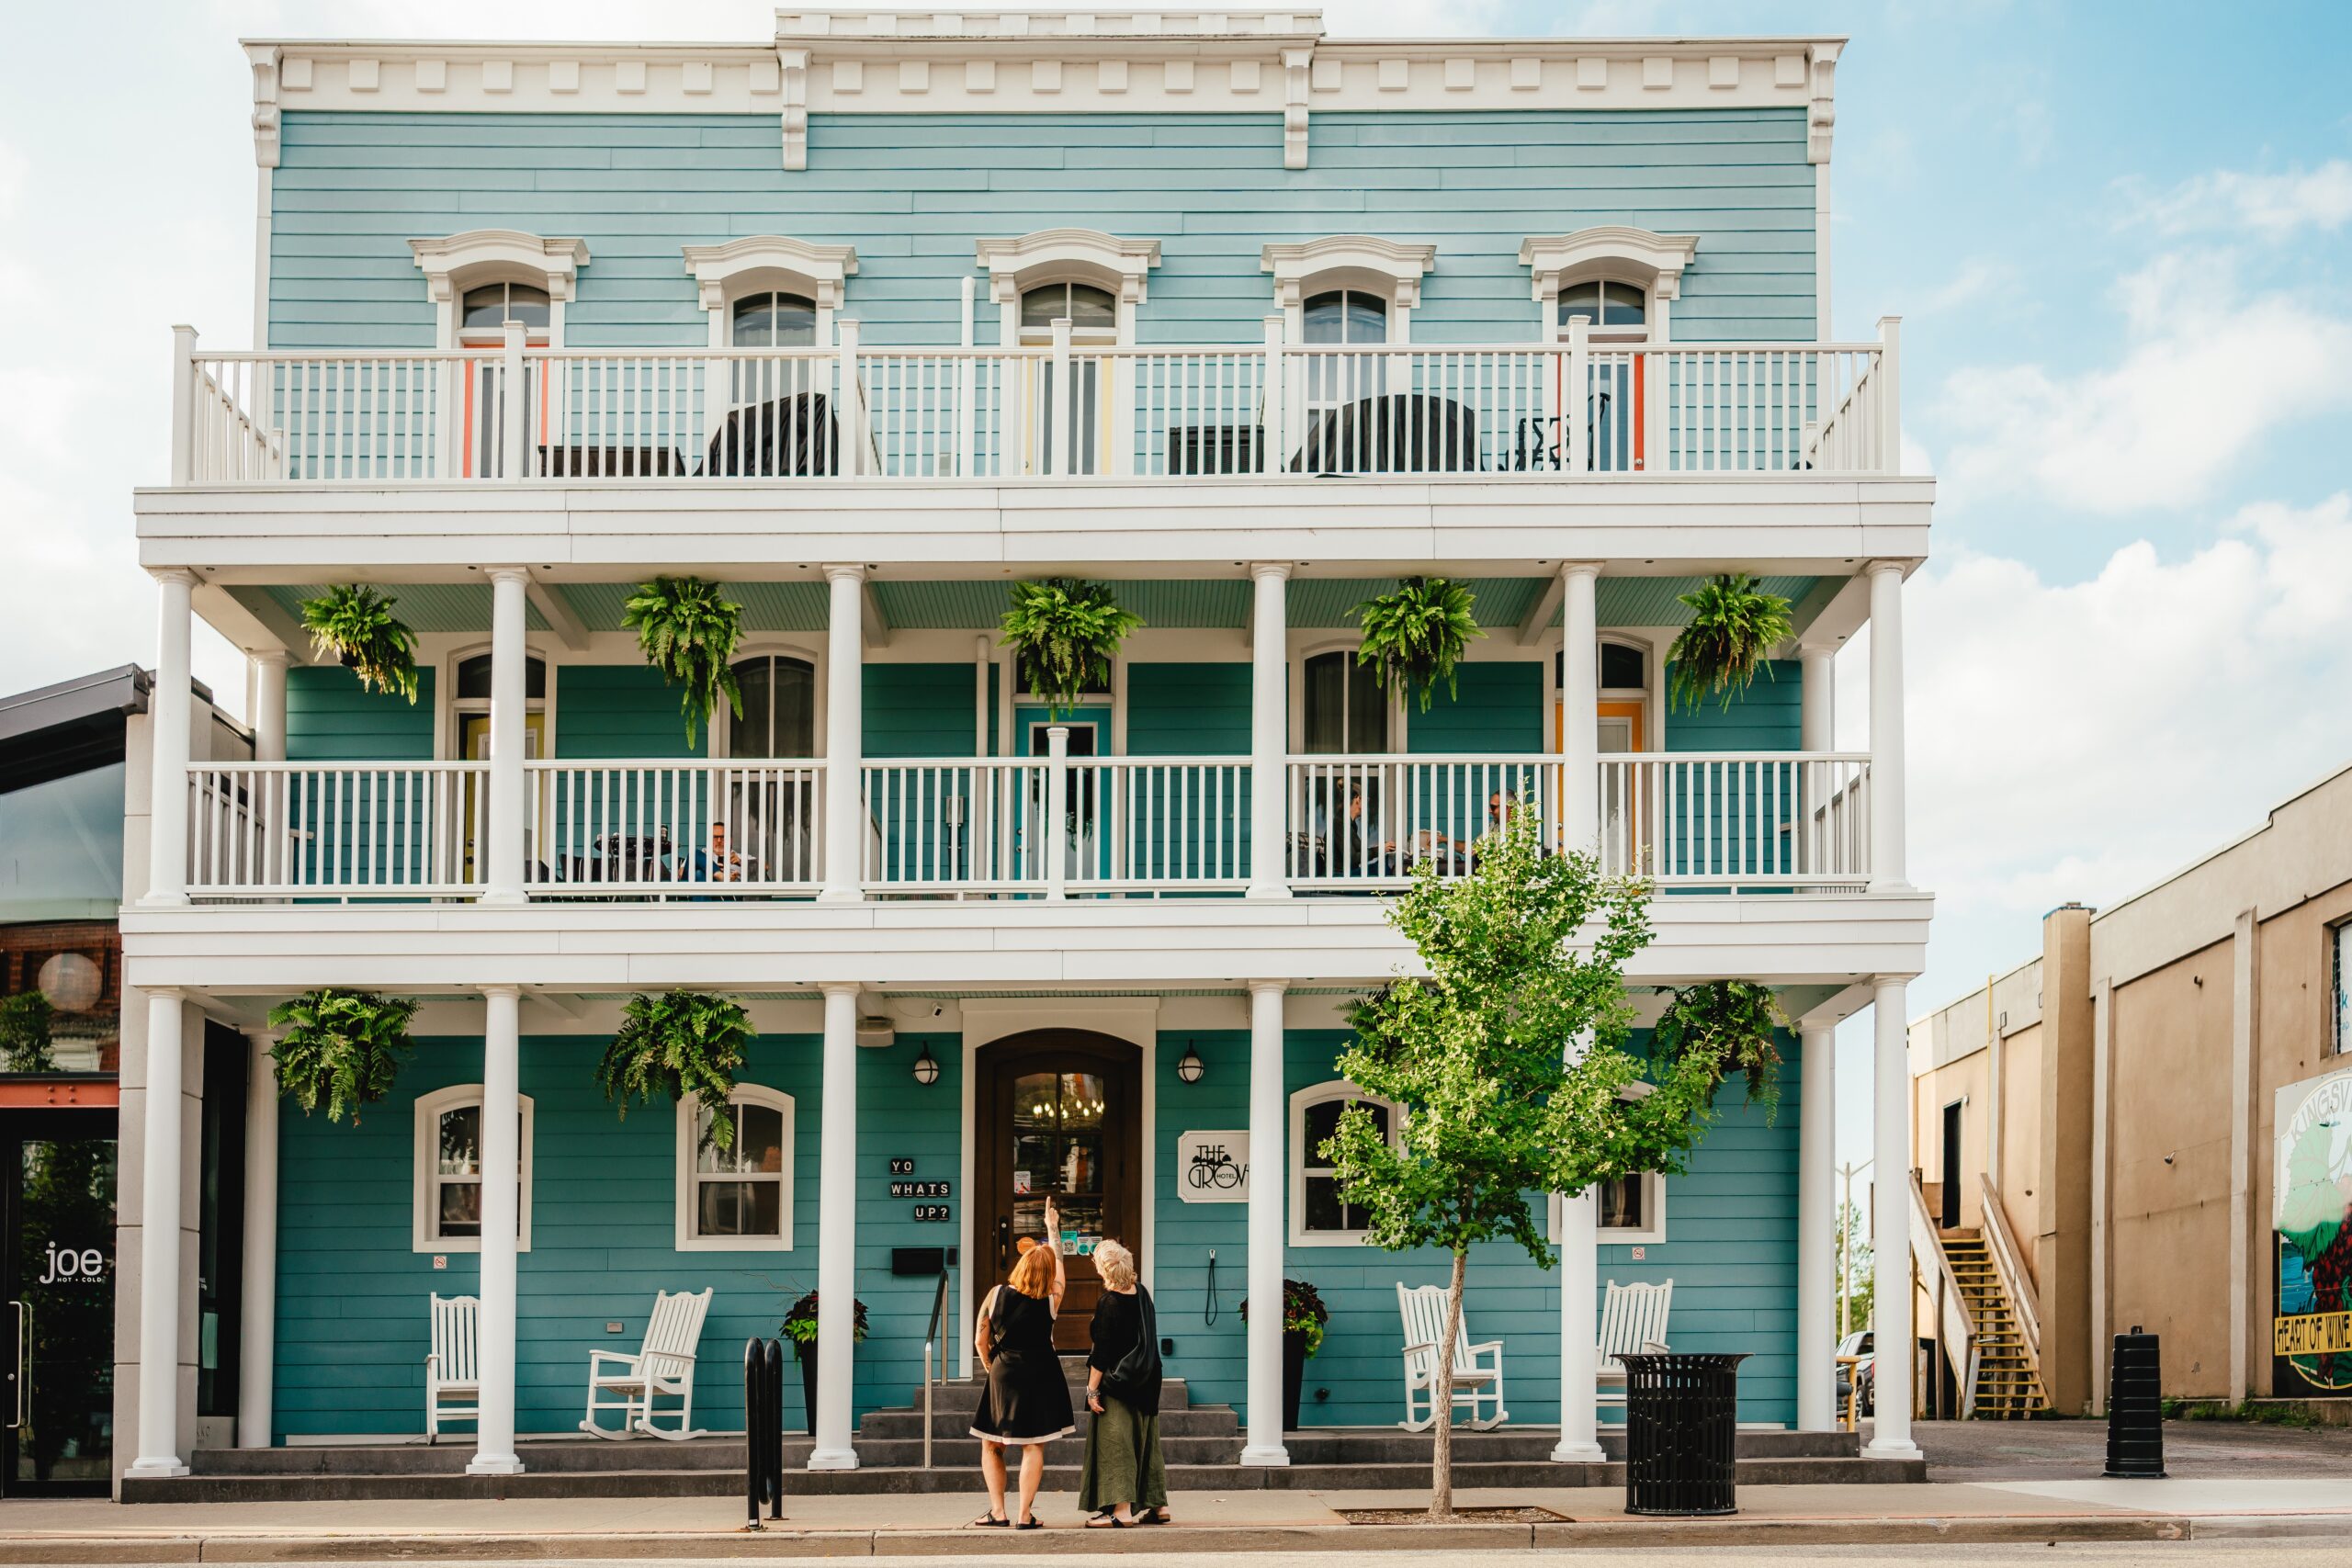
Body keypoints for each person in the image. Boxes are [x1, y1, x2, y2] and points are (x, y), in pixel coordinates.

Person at [968, 1199, 1071, 1529]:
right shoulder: (1053, 1297)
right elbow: (1059, 1266)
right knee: (1033, 1444)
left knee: (991, 1442)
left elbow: (980, 1341)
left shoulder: (996, 1294)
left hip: (1005, 1370)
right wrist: (1052, 1230)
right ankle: (1026, 1516)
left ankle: (998, 1511)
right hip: (1041, 1370)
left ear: (1022, 1266)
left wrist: (989, 1365)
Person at [1078, 1239, 1170, 1528]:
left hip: (1119, 1382)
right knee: (1147, 1442)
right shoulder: (1142, 1293)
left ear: (1103, 1269)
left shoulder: (1109, 1302)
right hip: (1147, 1377)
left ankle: (1120, 1511)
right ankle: (1159, 1505)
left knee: (1116, 1443)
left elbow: (1101, 1354)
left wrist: (1092, 1390)